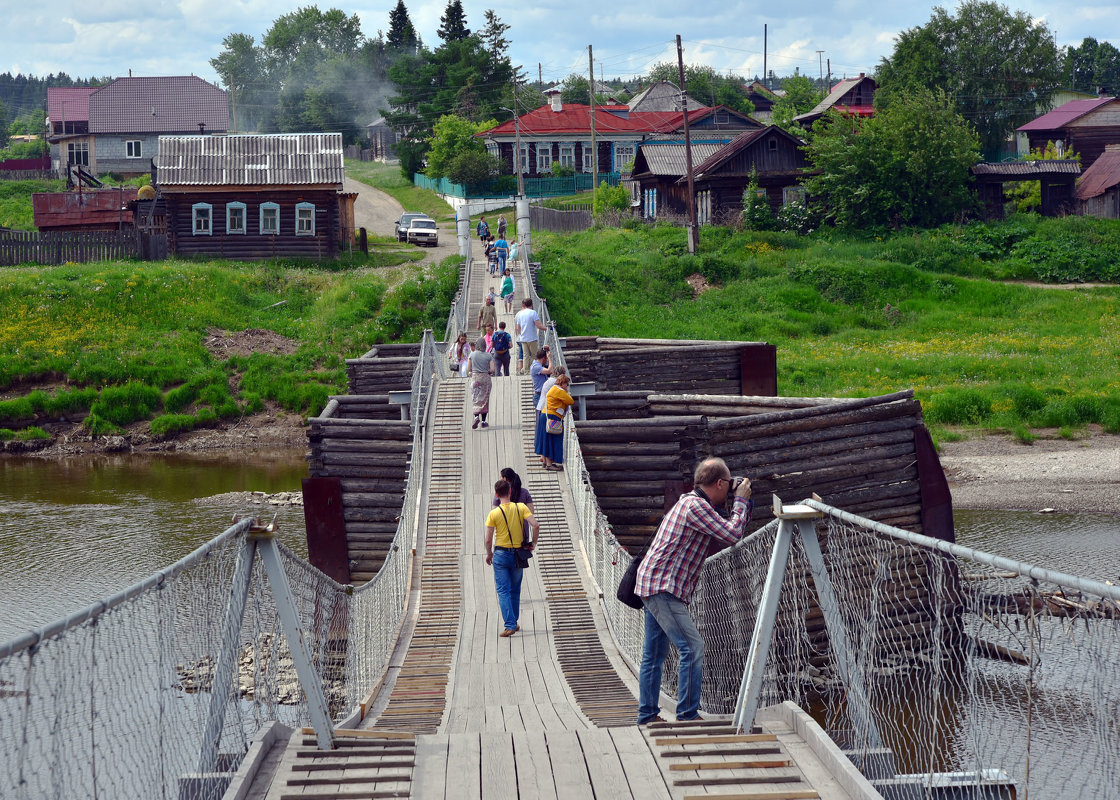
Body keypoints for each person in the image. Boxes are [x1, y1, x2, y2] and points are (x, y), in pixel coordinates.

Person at [635, 458, 753, 725]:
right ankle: (687, 715)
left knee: (653, 655)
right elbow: (732, 533)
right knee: (692, 647)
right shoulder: (697, 507)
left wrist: (736, 499)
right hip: (662, 587)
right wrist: (742, 500)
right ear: (720, 483)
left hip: (654, 583)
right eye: (728, 484)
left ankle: (647, 716)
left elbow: (723, 528)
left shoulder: (691, 502)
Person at [485, 477, 540, 636]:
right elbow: (535, 525)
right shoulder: (521, 507)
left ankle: (510, 624)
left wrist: (489, 554)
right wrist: (533, 543)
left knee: (503, 590)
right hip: (518, 554)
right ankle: (513, 622)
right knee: (515, 590)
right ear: (510, 491)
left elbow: (489, 538)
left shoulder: (493, 513)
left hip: (501, 554)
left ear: (497, 494)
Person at [538, 374, 574, 471]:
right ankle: (550, 465)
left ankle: (545, 462)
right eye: (567, 384)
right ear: (563, 383)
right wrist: (567, 392)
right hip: (552, 417)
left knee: (545, 440)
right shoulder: (559, 391)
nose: (567, 386)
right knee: (552, 440)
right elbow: (570, 401)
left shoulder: (554, 388)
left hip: (545, 416)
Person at [492, 467, 535, 546]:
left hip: (505, 531)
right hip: (522, 530)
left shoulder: (500, 493)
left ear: (505, 479)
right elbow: (531, 511)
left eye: (500, 477)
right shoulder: (524, 492)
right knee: (521, 556)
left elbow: (494, 512)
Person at [533, 365, 566, 466]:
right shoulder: (555, 383)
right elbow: (565, 396)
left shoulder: (550, 380)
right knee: (548, 436)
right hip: (548, 411)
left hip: (542, 409)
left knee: (543, 436)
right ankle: (549, 463)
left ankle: (544, 459)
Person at [467, 336, 495, 429]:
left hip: (475, 378)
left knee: (475, 397)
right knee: (485, 399)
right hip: (485, 378)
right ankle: (483, 421)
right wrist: (488, 371)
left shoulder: (472, 354)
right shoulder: (488, 355)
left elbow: (469, 368)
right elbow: (492, 369)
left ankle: (476, 417)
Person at [515, 298, 547, 374]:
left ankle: (526, 371)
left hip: (523, 338)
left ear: (524, 305)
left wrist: (522, 334)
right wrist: (546, 328)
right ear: (532, 305)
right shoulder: (533, 313)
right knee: (534, 355)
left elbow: (517, 328)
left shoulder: (520, 314)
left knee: (525, 355)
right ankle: (531, 369)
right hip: (532, 338)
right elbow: (538, 325)